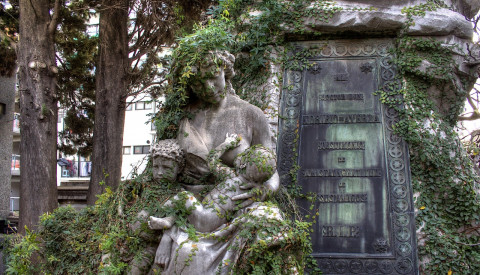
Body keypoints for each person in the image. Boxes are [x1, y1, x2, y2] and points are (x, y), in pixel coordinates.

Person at [177, 50, 279, 205]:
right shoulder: (181, 115)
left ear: (225, 70)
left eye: (213, 76)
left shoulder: (251, 114)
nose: (209, 88)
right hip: (184, 200)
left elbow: (271, 170)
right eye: (199, 83)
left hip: (236, 201)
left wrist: (266, 190)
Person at [149, 134, 277, 233]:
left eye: (242, 156)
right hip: (213, 222)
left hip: (204, 219)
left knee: (184, 197)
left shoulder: (231, 176)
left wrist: (227, 144)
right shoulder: (248, 190)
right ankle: (169, 220)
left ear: (243, 163)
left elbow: (212, 161)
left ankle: (159, 211)